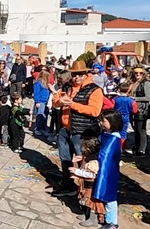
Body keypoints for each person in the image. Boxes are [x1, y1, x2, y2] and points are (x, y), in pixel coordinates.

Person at [52, 60, 103, 197]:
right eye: (74, 74)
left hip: (82, 132)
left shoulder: (94, 90)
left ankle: (85, 192)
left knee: (84, 163)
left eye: (80, 74)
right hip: (65, 129)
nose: (77, 77)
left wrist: (72, 104)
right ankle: (68, 185)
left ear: (86, 74)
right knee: (65, 159)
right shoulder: (67, 86)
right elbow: (55, 102)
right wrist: (58, 102)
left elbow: (95, 111)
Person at [94, 110, 123, 229]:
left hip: (108, 170)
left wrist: (98, 164)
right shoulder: (105, 133)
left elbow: (105, 155)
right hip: (103, 167)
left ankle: (112, 222)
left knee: (109, 195)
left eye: (103, 121)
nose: (100, 123)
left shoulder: (114, 138)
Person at [69, 137, 104, 227]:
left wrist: (76, 171)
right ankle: (86, 215)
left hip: (92, 187)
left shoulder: (94, 162)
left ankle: (93, 220)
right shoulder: (88, 158)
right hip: (85, 185)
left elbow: (92, 174)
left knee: (91, 203)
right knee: (85, 200)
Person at [129, 67, 150, 156]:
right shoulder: (133, 82)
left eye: (140, 73)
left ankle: (142, 149)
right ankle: (137, 146)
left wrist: (134, 98)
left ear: (144, 74)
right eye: (136, 73)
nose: (138, 74)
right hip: (133, 108)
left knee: (141, 128)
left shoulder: (146, 83)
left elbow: (148, 97)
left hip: (142, 109)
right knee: (135, 128)